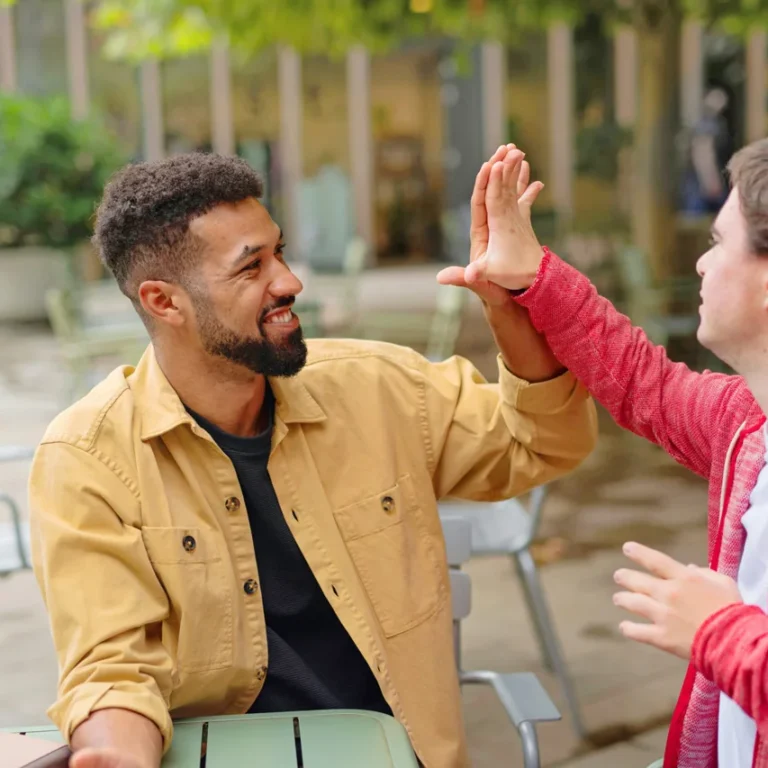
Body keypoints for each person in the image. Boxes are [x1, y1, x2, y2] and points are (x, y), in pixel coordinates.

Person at [29, 149, 597, 768]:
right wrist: (117, 752)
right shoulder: (87, 459)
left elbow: (540, 442)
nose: (289, 281)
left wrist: (509, 306)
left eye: (279, 252)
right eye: (251, 268)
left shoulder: (378, 387)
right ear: (164, 302)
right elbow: (112, 666)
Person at [438, 138, 768, 768]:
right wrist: (532, 271)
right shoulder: (747, 426)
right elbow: (644, 382)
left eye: (718, 243)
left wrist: (723, 633)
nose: (702, 264)